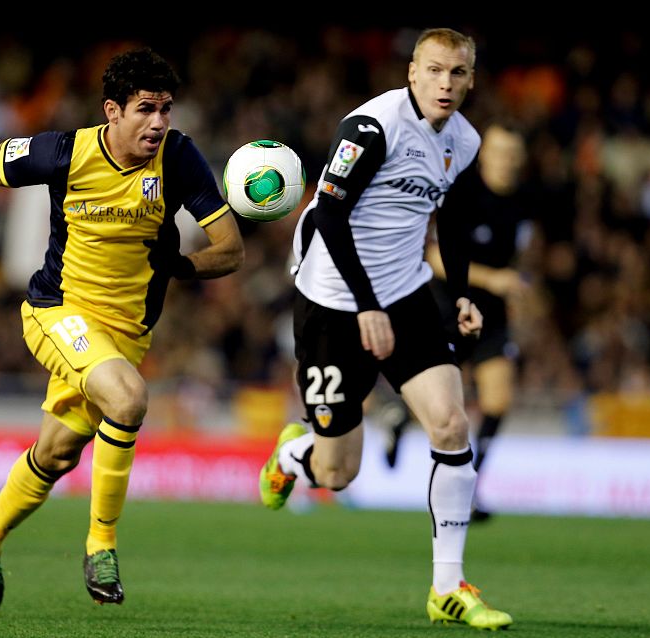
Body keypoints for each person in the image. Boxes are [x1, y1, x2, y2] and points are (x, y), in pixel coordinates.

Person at [0, 48, 244, 612]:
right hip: (57, 311)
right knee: (129, 397)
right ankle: (102, 545)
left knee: (58, 453)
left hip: (126, 336)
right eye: (146, 109)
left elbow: (231, 251)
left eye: (166, 109)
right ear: (112, 111)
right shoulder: (65, 152)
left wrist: (177, 264)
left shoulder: (180, 157)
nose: (159, 122)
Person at [258, 28, 513, 630]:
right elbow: (327, 214)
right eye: (434, 70)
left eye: (457, 73)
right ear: (412, 72)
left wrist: (463, 296)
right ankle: (295, 454)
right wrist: (364, 304)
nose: (445, 84)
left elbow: (448, 221)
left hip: (405, 291)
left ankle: (448, 587)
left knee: (451, 424)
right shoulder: (371, 129)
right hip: (331, 301)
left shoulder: (465, 140)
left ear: (471, 79)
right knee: (339, 473)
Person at [425, 121, 533, 521]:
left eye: (512, 154)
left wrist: (518, 287)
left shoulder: (523, 202)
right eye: (499, 152)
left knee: (499, 399)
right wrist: (494, 279)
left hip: (495, 314)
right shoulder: (463, 193)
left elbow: (519, 257)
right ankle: (398, 417)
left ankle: (467, 486)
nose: (506, 161)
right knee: (440, 403)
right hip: (448, 307)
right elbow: (434, 258)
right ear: (484, 154)